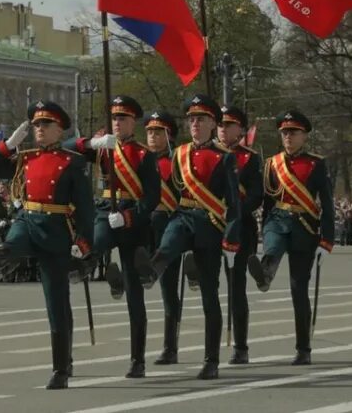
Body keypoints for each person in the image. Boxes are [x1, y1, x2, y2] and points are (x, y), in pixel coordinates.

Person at [0, 100, 94, 390]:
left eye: (46, 125)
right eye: (37, 125)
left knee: (57, 303)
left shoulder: (72, 162)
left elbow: (86, 207)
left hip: (56, 231)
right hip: (27, 220)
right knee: (13, 240)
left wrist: (83, 240)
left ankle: (61, 367)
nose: (39, 129)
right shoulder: (25, 158)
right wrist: (9, 144)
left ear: (59, 129)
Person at [134, 95, 242, 381]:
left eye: (201, 119)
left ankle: (211, 360)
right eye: (191, 119)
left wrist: (231, 239)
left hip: (209, 224)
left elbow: (233, 203)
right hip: (182, 215)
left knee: (209, 296)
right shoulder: (179, 153)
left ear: (212, 124)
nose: (194, 123)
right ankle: (151, 271)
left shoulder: (225, 157)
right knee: (167, 244)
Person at [67, 95, 161, 378]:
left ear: (134, 122)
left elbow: (153, 197)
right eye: (114, 118)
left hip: (132, 216)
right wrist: (91, 143)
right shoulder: (104, 147)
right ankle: (86, 265)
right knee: (96, 242)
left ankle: (137, 360)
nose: (117, 123)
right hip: (106, 210)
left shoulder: (144, 155)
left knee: (135, 294)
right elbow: (66, 148)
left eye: (122, 118)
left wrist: (130, 217)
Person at [247, 110, 335, 366]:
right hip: (276, 219)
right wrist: (263, 229)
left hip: (304, 227)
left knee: (299, 290)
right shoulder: (272, 163)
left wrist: (326, 240)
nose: (288, 136)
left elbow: (327, 205)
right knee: (272, 249)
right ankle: (265, 274)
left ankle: (303, 347)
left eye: (293, 132)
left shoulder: (316, 164)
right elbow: (267, 199)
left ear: (304, 136)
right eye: (284, 132)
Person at [217, 105, 263, 365]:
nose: (223, 129)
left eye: (229, 125)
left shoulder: (249, 158)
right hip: (212, 225)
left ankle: (241, 345)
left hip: (240, 228)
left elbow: (256, 196)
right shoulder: (207, 154)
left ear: (241, 130)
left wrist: (233, 212)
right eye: (220, 125)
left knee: (236, 289)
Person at [144, 110, 183, 365]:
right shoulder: (140, 160)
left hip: (169, 223)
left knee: (169, 289)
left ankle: (170, 346)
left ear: (169, 135)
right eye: (149, 132)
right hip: (144, 224)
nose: (153, 136)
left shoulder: (178, 161)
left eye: (158, 132)